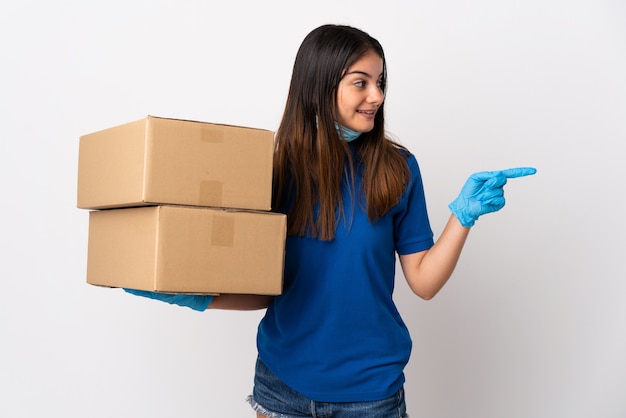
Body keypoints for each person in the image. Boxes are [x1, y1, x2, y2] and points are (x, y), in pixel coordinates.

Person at [125, 24, 536, 417]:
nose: (376, 95)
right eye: (361, 82)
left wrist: (461, 218)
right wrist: (192, 296)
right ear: (320, 87)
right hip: (281, 385)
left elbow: (423, 283)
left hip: (371, 394)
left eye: (381, 82)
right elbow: (267, 292)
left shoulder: (398, 169)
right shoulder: (274, 172)